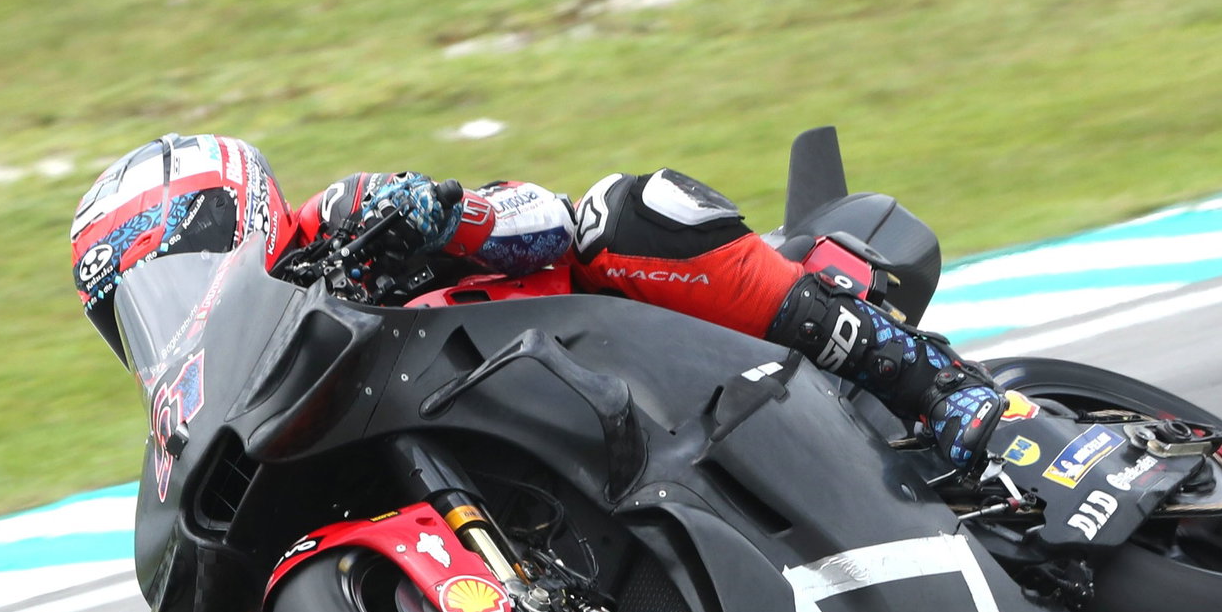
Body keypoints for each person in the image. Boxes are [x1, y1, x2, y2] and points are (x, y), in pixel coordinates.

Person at [71, 133, 1006, 469]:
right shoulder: (203, 417)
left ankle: (935, 385)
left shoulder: (341, 222)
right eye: (138, 305)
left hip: (618, 344)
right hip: (543, 449)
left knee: (626, 211)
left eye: (183, 265)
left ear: (245, 219)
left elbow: (541, 220)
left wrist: (440, 214)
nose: (173, 306)